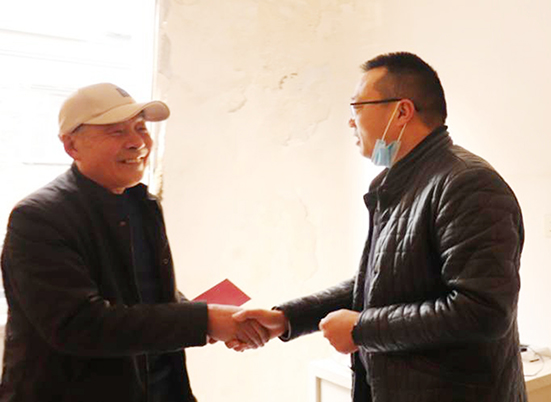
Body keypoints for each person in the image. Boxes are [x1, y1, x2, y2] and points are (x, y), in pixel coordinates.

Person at [231, 52, 527, 401]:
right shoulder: (398, 183)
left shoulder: (467, 183)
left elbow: (482, 311)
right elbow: (379, 286)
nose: (350, 121)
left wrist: (362, 329)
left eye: (358, 106)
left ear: (402, 112)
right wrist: (287, 318)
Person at [0, 83, 267, 402]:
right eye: (116, 132)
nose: (137, 142)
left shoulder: (142, 204)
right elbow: (80, 324)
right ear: (72, 146)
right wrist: (203, 320)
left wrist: (208, 315)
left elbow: (141, 292)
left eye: (141, 128)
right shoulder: (39, 217)